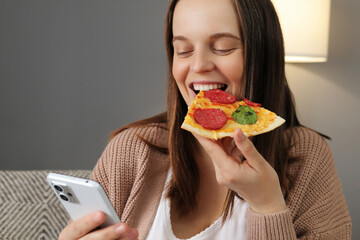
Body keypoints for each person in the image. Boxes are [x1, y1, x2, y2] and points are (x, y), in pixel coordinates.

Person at [59, 0, 352, 239]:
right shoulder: (131, 150)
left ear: (261, 55)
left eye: (223, 47)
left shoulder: (307, 157)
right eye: (183, 50)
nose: (198, 66)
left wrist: (267, 204)